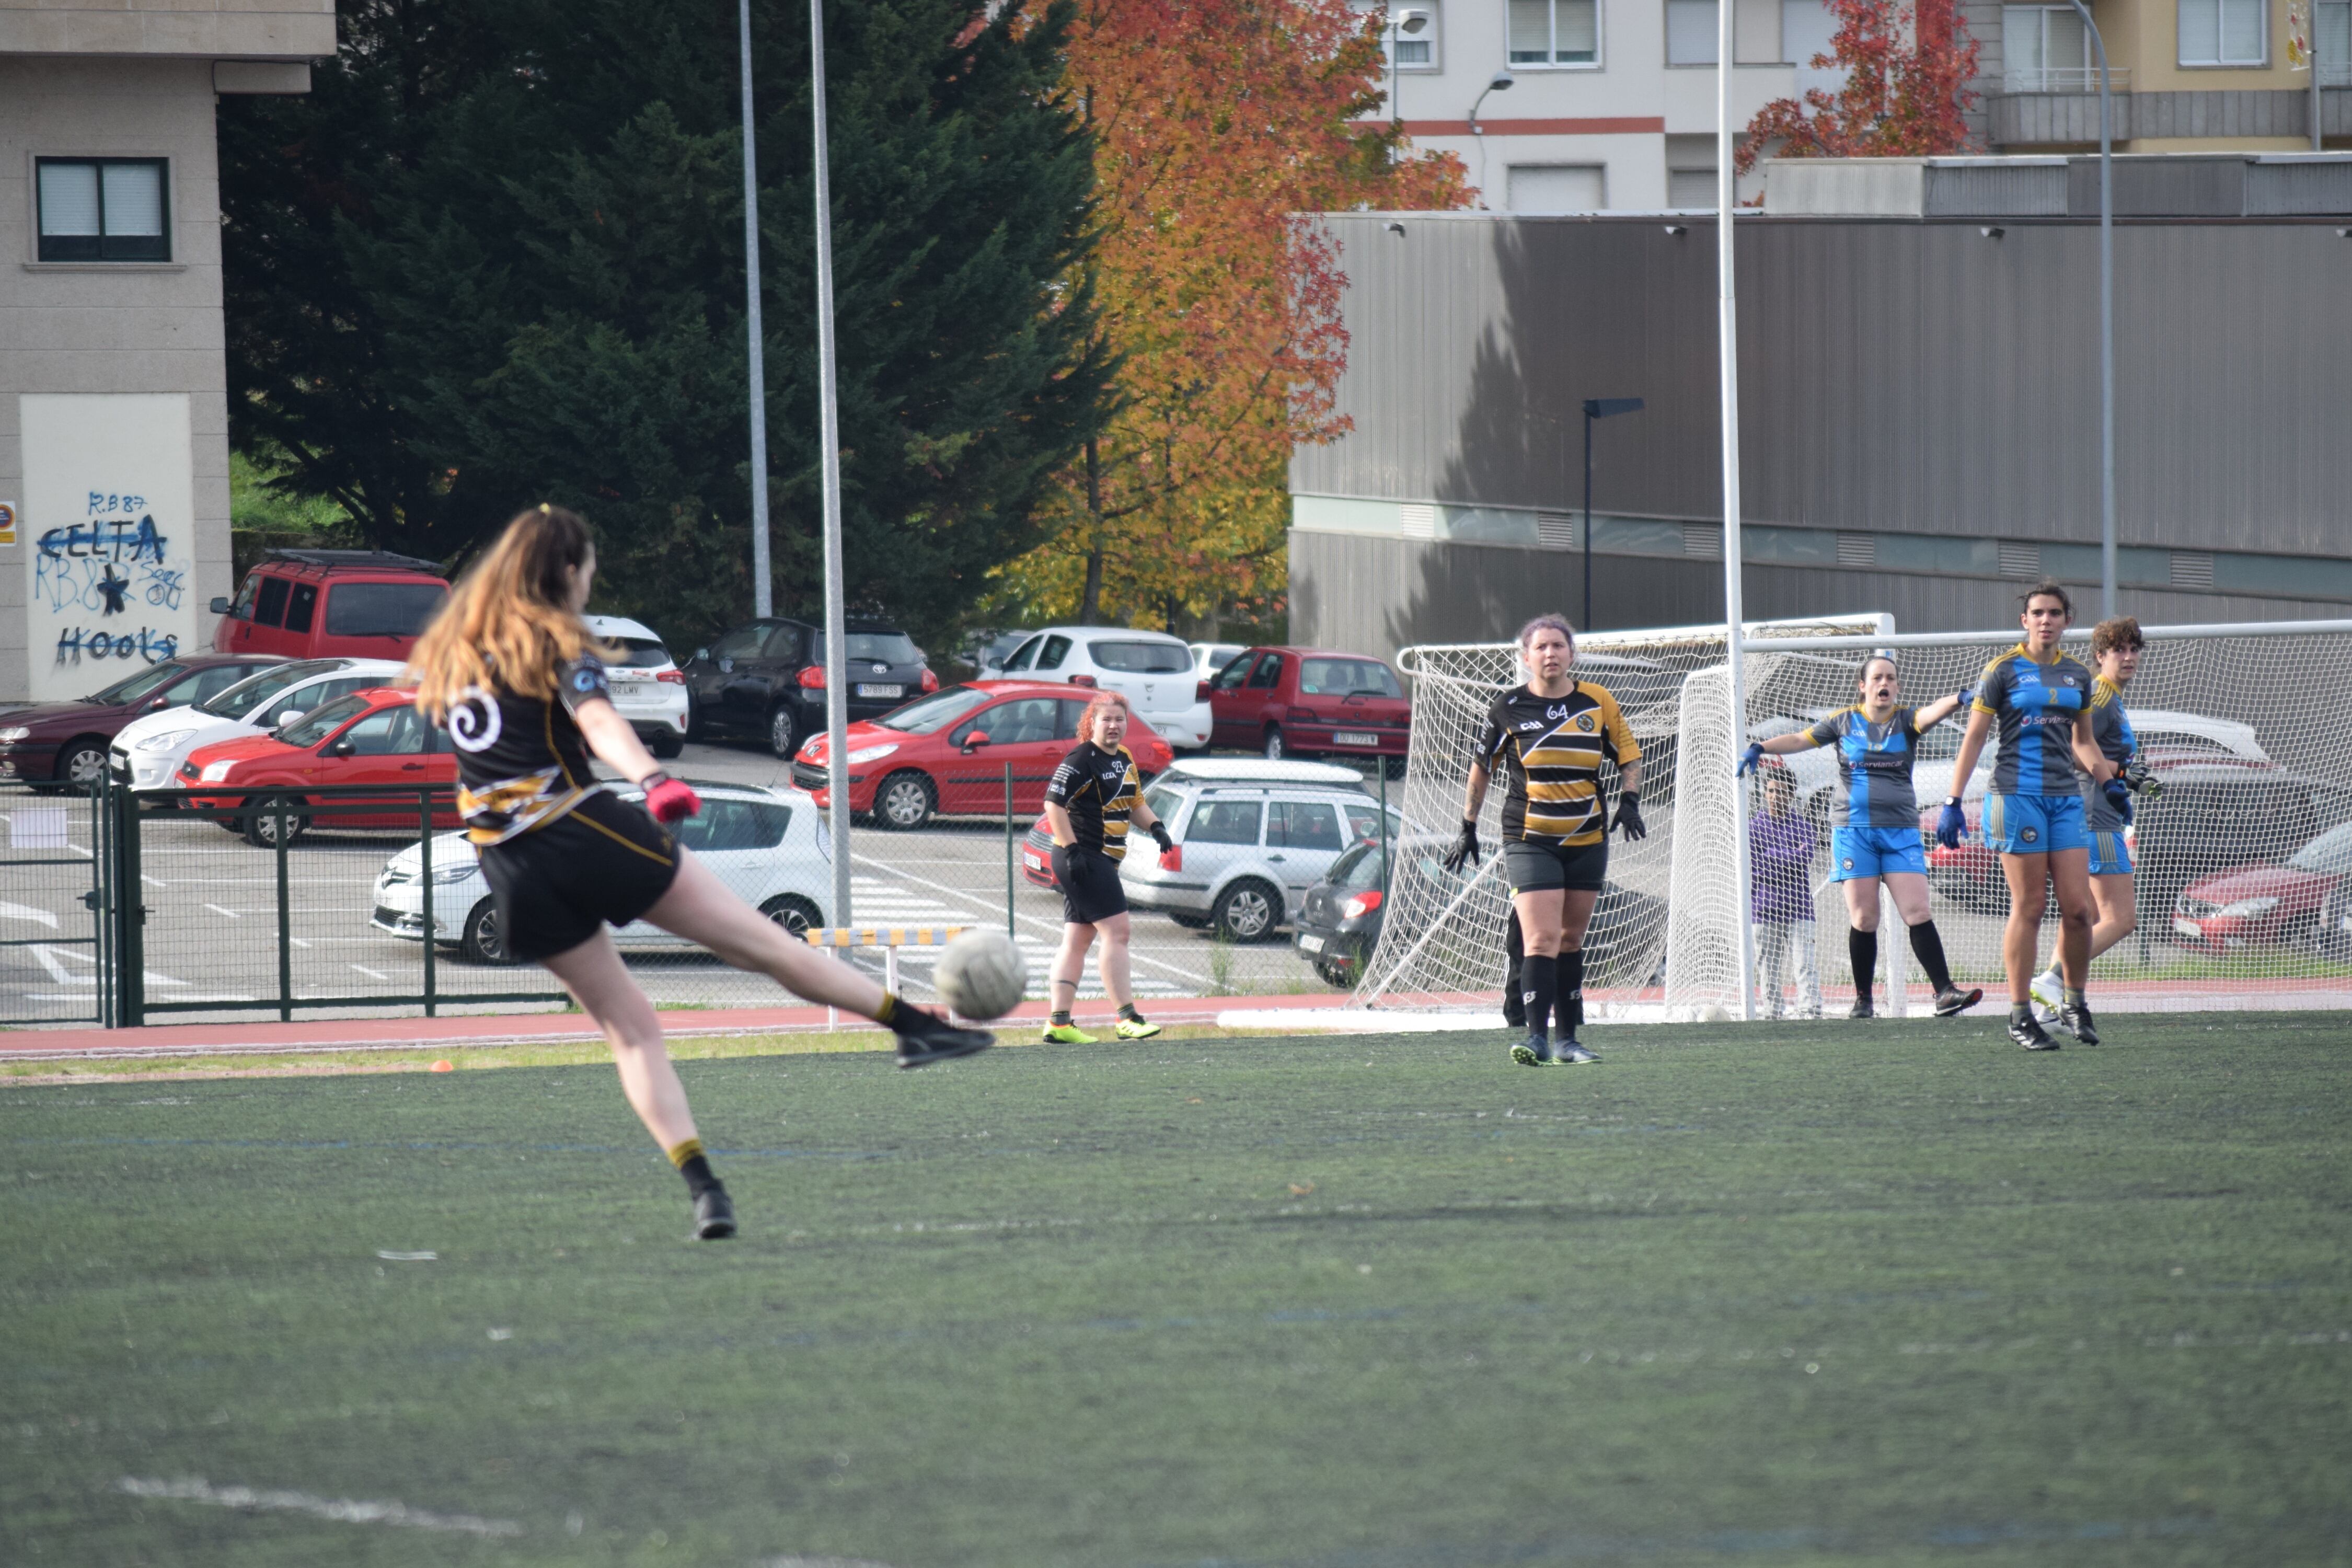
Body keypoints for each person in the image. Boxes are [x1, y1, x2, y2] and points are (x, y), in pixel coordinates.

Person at [408, 505, 991, 1242]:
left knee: (630, 1031)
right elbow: (597, 721)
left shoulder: (458, 651)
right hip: (581, 831)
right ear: (563, 572)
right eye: (587, 569)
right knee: (763, 945)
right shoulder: (555, 638)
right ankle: (913, 1029)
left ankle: (705, 1189)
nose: (590, 583)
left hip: (511, 866)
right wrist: (652, 777)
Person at [1446, 613, 1643, 1067]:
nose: (1550, 654)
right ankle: (1536, 1037)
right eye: (1541, 647)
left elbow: (1628, 756)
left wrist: (1630, 800)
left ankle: (1568, 1041)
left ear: (1572, 654)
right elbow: (1482, 768)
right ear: (1526, 657)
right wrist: (1467, 826)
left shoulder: (1599, 702)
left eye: (1558, 646)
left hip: (1588, 837)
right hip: (1529, 838)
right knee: (1540, 939)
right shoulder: (1507, 707)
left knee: (1571, 939)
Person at [1741, 652, 1982, 1019]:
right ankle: (1863, 1000)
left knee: (1917, 910)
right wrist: (1762, 747)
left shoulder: (1907, 720)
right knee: (1865, 919)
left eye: (1890, 678)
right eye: (1877, 678)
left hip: (1901, 831)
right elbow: (1799, 740)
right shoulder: (1843, 722)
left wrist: (1961, 697)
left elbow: (1935, 711)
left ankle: (1945, 992)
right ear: (1863, 686)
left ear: (1897, 686)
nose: (1884, 684)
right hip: (1853, 833)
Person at [1934, 581, 2121, 1050]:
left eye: (2055, 613)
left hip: (2064, 800)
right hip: (2015, 797)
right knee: (2031, 907)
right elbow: (1975, 739)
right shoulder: (2002, 670)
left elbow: (2083, 742)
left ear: (2066, 621)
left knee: (2080, 911)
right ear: (2025, 620)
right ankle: (2019, 1016)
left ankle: (2074, 1002)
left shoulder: (2079, 676)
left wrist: (2109, 782)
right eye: (2037, 612)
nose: (2046, 620)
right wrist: (1953, 802)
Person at [2029, 615, 2148, 1025]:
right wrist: (2119, 773)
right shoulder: (2099, 694)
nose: (2129, 657)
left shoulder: (2110, 695)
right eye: (2119, 650)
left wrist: (2130, 775)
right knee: (2121, 919)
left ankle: (2046, 1006)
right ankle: (2051, 981)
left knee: (2086, 918)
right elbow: (2071, 746)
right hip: (2094, 818)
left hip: (2092, 816)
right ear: (2100, 656)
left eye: (2134, 649)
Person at [1041, 689, 1175, 1044]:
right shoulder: (1082, 758)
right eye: (1106, 719)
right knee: (1117, 932)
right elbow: (1053, 804)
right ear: (1092, 723)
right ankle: (1127, 1018)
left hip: (1096, 859)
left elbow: (1135, 802)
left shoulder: (1125, 756)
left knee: (1077, 939)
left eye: (1119, 719)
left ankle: (1058, 1024)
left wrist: (1156, 826)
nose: (1113, 725)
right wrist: (1072, 851)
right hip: (1083, 856)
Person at [1746, 763, 1823, 1020]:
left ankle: (1810, 1011)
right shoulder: (1753, 829)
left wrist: (1771, 856)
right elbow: (1754, 868)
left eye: (1781, 791)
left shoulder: (1803, 828)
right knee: (1768, 967)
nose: (1775, 796)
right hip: (1764, 908)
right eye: (1770, 791)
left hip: (1799, 907)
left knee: (1805, 965)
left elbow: (1804, 859)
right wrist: (1786, 859)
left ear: (1792, 795)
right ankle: (1772, 1013)